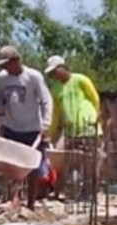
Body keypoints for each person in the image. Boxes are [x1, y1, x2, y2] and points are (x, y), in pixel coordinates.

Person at [0, 45, 53, 207]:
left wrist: (46, 124)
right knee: (8, 164)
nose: (4, 68)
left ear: (16, 61)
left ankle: (30, 203)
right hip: (11, 126)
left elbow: (46, 100)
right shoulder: (3, 78)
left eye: (6, 64)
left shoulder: (33, 77)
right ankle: (10, 199)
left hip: (32, 128)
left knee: (33, 167)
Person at [44, 55, 103, 197]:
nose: (53, 75)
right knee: (65, 161)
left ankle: (91, 193)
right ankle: (61, 190)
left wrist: (95, 118)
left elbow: (95, 98)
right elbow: (56, 114)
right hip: (71, 131)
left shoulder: (81, 80)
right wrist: (50, 134)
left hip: (88, 128)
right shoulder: (56, 89)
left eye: (54, 71)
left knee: (92, 163)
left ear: (62, 68)